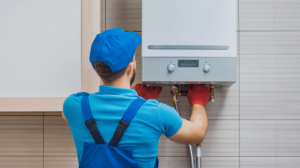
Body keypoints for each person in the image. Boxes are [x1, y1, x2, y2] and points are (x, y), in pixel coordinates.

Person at [62, 28, 210, 168]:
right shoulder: (156, 113)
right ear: (130, 67)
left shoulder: (74, 106)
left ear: (96, 68)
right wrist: (198, 102)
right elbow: (197, 133)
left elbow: (66, 117)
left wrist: (138, 101)